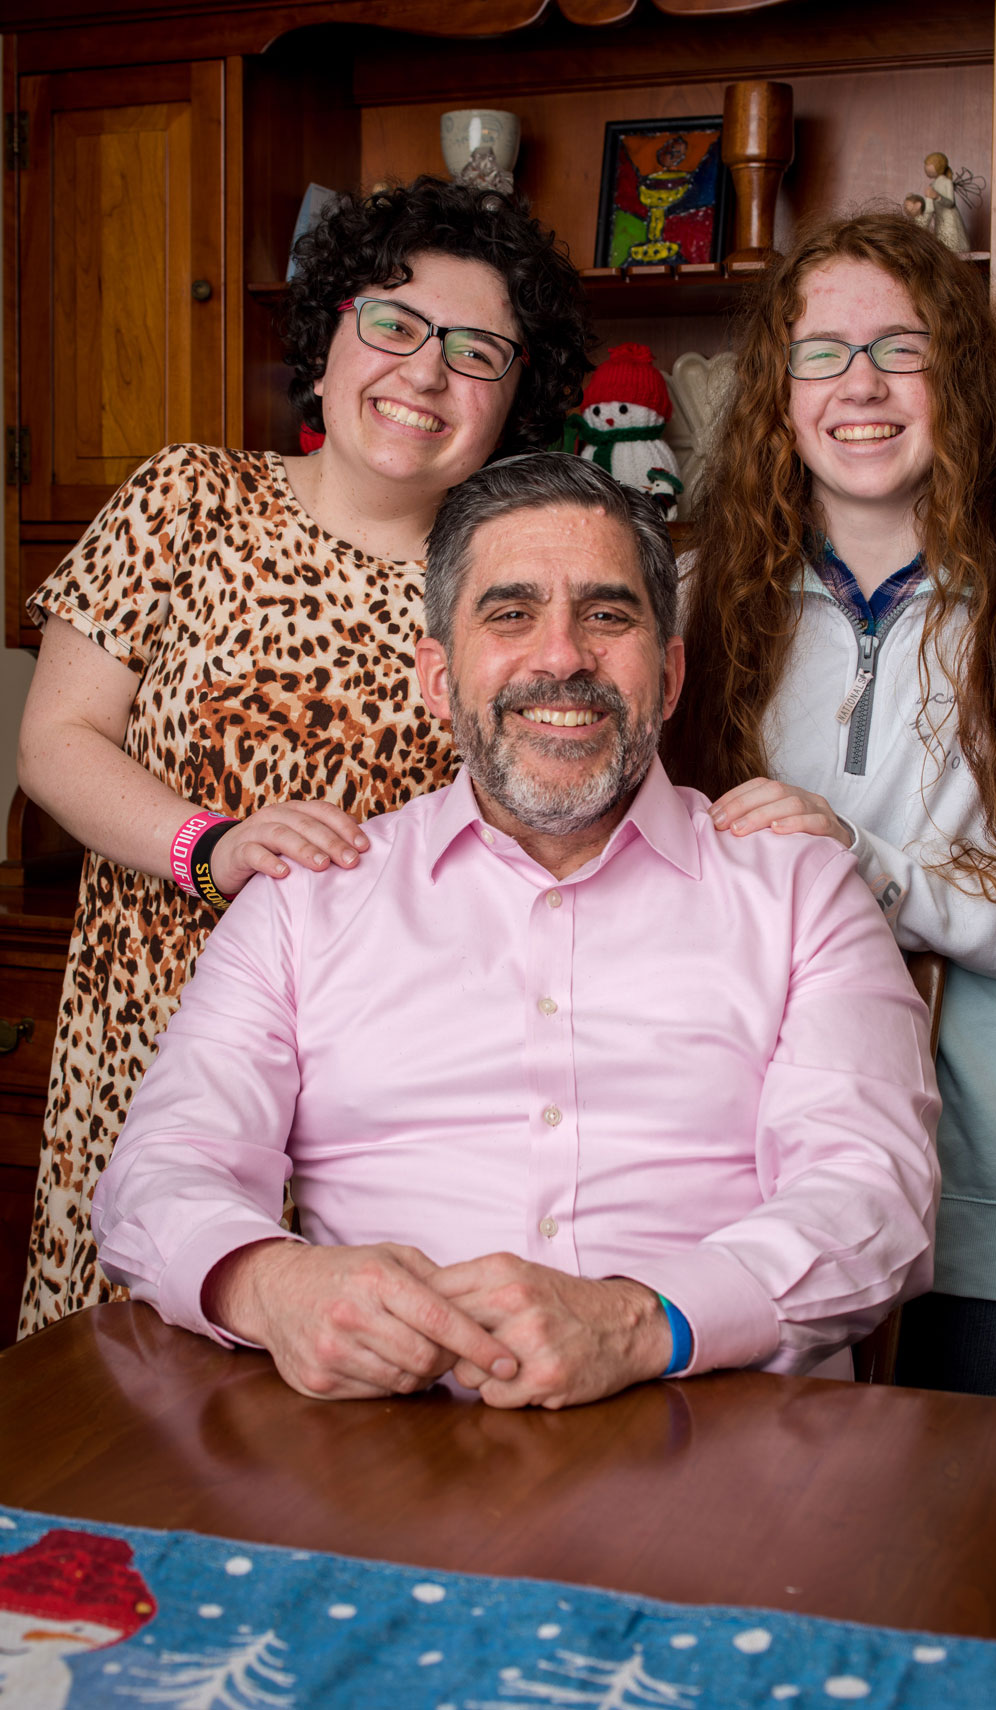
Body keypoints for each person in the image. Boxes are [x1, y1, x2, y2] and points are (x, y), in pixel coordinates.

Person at [91, 454, 940, 1407]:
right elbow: (159, 1175)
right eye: (510, 614)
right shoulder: (303, 900)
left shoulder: (800, 888)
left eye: (608, 615)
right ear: (436, 677)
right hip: (378, 1449)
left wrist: (638, 1322)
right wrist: (269, 1284)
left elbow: (875, 1201)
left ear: (667, 677)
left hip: (719, 1437)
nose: (563, 656)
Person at [16, 177, 591, 1337]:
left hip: (392, 1081)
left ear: (515, 397)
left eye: (476, 351)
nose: (425, 374)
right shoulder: (185, 498)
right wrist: (210, 845)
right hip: (150, 1032)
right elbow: (52, 741)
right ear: (328, 340)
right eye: (392, 323)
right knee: (122, 1407)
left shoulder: (511, 585)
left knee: (356, 1402)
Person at [664, 211, 996, 1400]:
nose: (862, 385)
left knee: (969, 1562)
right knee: (772, 1549)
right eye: (823, 352)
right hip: (747, 1181)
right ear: (778, 391)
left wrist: (861, 861)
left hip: (989, 1190)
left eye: (904, 346)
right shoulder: (690, 595)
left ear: (960, 378)